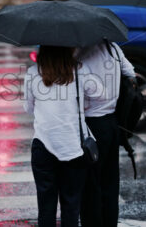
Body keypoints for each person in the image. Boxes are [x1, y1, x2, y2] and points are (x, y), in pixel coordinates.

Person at [23, 45, 104, 227]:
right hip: (73, 146)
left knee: (45, 206)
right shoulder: (80, 70)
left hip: (43, 145)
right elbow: (101, 94)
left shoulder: (32, 72)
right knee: (71, 205)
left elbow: (28, 108)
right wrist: (83, 103)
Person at [77, 42, 136, 227]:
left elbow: (82, 95)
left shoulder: (80, 54)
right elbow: (130, 73)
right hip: (112, 123)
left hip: (91, 124)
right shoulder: (113, 48)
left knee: (90, 182)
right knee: (110, 181)